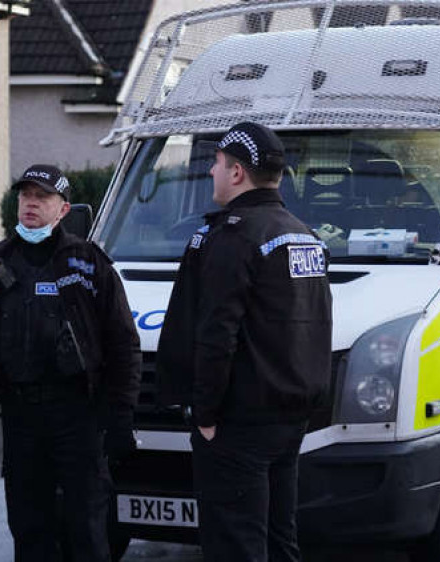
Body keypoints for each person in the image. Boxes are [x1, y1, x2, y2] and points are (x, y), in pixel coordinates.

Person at [157, 122, 333, 562]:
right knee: (278, 540)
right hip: (288, 418)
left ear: (237, 173)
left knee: (235, 545)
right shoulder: (302, 234)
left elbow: (218, 332)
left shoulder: (235, 236)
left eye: (216, 164)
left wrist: (206, 412)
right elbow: (316, 327)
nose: (211, 173)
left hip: (238, 422)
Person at [0, 164, 141, 562]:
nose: (31, 204)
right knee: (28, 525)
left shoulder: (88, 264)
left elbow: (123, 345)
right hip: (21, 416)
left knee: (86, 525)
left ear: (63, 209)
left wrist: (121, 419)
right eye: (25, 196)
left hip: (77, 415)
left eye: (42, 197)